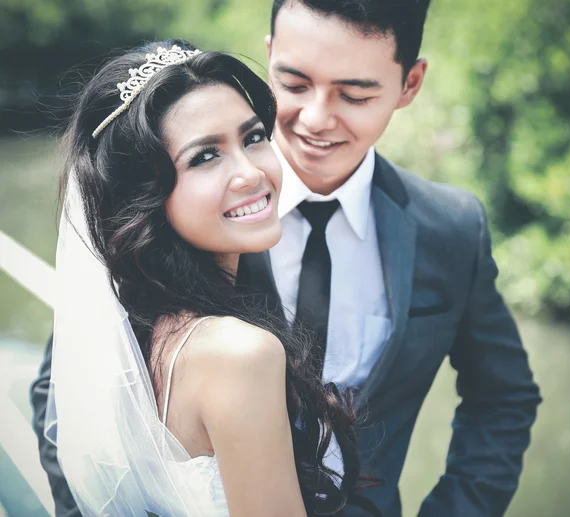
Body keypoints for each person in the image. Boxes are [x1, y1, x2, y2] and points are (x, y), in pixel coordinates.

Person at [32, 1, 542, 516]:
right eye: (295, 84)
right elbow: (72, 389)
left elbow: (502, 398)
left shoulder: (452, 227)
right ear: (270, 55)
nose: (316, 119)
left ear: (409, 84)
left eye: (355, 93)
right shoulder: (159, 234)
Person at [32, 40, 380, 517]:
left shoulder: (149, 327)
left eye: (253, 137)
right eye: (204, 157)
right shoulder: (239, 354)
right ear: (144, 196)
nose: (249, 173)